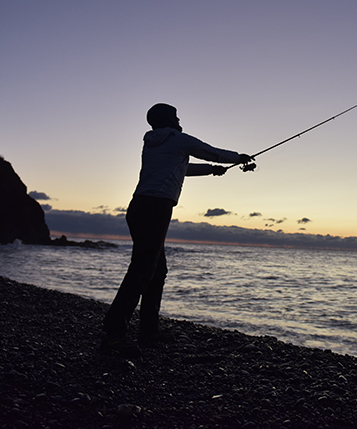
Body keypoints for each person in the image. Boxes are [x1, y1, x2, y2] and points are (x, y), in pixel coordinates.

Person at [101, 103, 252, 358]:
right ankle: (113, 334)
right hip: (155, 208)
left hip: (140, 207)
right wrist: (239, 157)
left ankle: (149, 331)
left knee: (155, 270)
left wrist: (210, 171)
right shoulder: (178, 139)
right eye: (176, 116)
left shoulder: (153, 143)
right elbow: (209, 151)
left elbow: (184, 167)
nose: (179, 120)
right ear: (168, 120)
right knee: (142, 270)